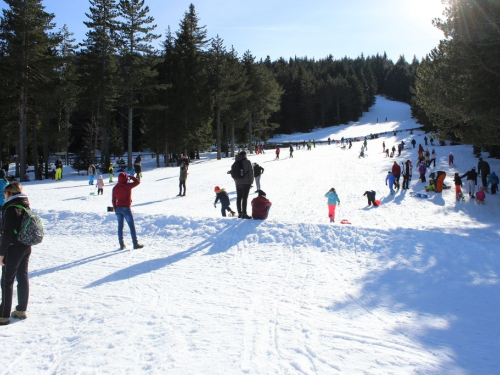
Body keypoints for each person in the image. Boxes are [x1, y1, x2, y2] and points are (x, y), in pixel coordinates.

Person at [0, 182, 31, 325]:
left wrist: (1, 253)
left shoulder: (11, 208)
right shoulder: (25, 205)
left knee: (7, 280)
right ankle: (20, 310)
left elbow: (6, 234)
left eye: (5, 193)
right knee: (22, 277)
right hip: (25, 246)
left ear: (10, 193)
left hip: (12, 248)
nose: (4, 196)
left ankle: (3, 315)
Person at [112, 172, 143, 250]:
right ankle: (135, 243)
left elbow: (113, 200)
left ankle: (121, 244)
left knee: (120, 227)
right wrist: (130, 176)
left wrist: (115, 208)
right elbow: (138, 182)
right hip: (126, 208)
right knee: (131, 226)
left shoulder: (115, 188)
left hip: (118, 208)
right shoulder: (127, 186)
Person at [232, 151, 254, 219]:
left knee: (239, 198)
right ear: (244, 155)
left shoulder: (235, 161)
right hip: (246, 182)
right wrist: (251, 182)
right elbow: (251, 172)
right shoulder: (247, 162)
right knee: (244, 198)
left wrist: (236, 181)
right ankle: (244, 213)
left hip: (237, 182)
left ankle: (239, 213)